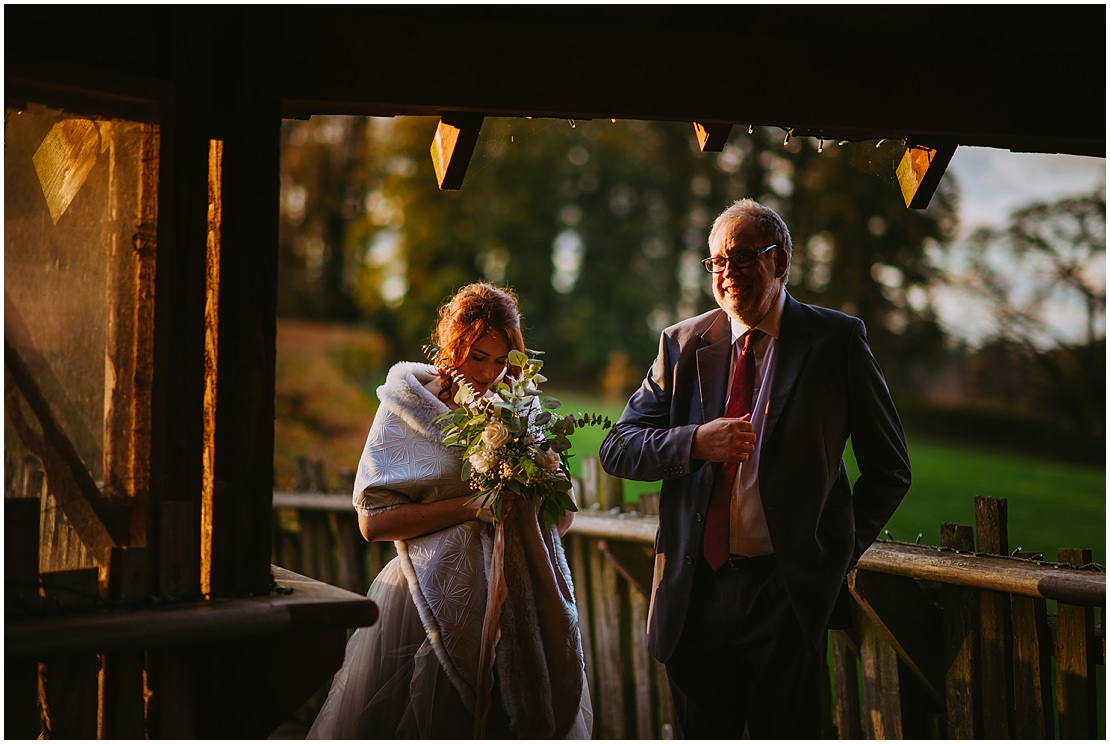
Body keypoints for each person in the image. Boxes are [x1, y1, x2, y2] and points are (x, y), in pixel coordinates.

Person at [599, 198, 911, 738]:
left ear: (781, 260)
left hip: (784, 594)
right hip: (693, 596)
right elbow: (618, 447)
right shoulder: (681, 344)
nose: (728, 274)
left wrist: (829, 555)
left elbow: (889, 470)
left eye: (743, 258)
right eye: (717, 262)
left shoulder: (835, 341)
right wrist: (694, 441)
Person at [308, 282, 592, 739]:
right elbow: (372, 522)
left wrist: (537, 480)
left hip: (521, 601)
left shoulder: (521, 405)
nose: (489, 373)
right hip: (430, 597)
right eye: (478, 357)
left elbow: (563, 518)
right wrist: (470, 507)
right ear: (452, 345)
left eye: (501, 361)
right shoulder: (406, 408)